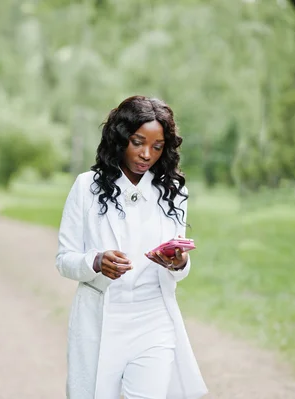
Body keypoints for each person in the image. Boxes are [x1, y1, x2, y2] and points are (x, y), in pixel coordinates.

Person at [55, 95, 208, 399]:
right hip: (102, 320)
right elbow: (64, 259)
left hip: (154, 319)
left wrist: (177, 263)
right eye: (138, 142)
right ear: (120, 138)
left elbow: (179, 267)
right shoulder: (87, 188)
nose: (146, 154)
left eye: (157, 146)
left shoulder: (173, 192)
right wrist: (97, 261)